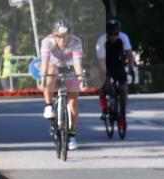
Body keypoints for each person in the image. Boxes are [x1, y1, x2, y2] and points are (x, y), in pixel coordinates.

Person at [40, 18, 86, 151]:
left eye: (65, 37)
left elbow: (77, 62)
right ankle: (48, 105)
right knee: (51, 70)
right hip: (52, 66)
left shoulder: (76, 42)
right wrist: (43, 77)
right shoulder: (47, 42)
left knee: (73, 104)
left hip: (69, 68)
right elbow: (44, 62)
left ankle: (72, 136)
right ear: (53, 35)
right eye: (58, 37)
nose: (62, 40)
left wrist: (80, 77)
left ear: (70, 35)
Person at [95, 18, 136, 132]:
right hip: (104, 61)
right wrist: (105, 76)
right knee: (102, 81)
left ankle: (122, 113)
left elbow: (129, 54)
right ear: (107, 33)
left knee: (123, 88)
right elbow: (101, 62)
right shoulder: (101, 41)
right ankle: (104, 105)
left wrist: (131, 68)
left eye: (116, 33)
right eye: (111, 34)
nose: (113, 36)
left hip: (117, 62)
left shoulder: (123, 37)